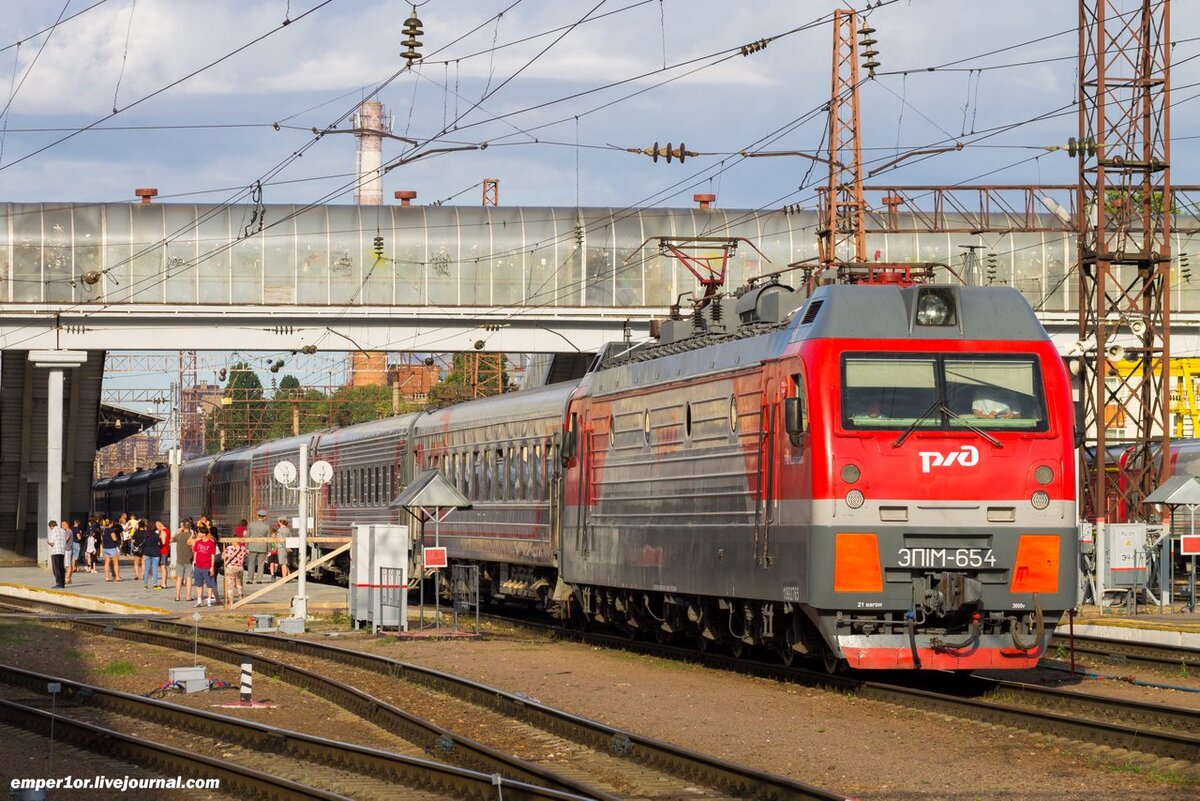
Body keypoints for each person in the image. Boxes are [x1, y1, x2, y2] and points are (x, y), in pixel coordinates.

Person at [190, 524, 219, 607]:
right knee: (199, 585)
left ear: (204, 534)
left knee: (209, 585)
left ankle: (209, 601)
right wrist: (195, 563)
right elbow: (195, 552)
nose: (198, 534)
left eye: (199, 533)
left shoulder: (211, 543)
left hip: (207, 567)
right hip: (198, 566)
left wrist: (212, 567)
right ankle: (199, 601)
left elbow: (212, 555)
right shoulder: (198, 542)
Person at [222, 532, 247, 608]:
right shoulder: (243, 549)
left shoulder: (229, 548)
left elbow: (223, 557)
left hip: (230, 568)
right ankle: (241, 600)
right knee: (239, 585)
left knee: (230, 586)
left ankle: (231, 603)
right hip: (239, 568)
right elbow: (245, 557)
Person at [246, 510, 270, 584]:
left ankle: (250, 579)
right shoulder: (267, 526)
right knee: (261, 564)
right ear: (264, 517)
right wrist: (269, 549)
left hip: (252, 546)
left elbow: (248, 536)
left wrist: (247, 547)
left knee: (251, 563)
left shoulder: (251, 525)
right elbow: (268, 538)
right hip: (263, 547)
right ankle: (259, 579)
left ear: (257, 516)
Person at [173, 519, 195, 602]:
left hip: (179, 559)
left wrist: (177, 532)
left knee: (179, 578)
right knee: (188, 578)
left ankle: (177, 596)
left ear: (182, 525)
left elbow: (171, 540)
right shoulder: (192, 536)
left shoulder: (179, 535)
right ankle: (188, 596)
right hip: (189, 560)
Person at [47, 520, 67, 589]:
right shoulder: (63, 530)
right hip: (62, 551)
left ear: (51, 526)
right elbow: (65, 539)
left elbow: (52, 542)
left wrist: (48, 543)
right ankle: (63, 583)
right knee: (61, 568)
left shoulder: (52, 532)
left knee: (56, 568)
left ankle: (59, 584)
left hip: (55, 552)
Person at [156, 520, 171, 589]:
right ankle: (164, 583)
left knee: (162, 567)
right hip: (166, 550)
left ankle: (163, 583)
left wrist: (158, 541)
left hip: (162, 551)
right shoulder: (167, 530)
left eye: (157, 527)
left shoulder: (163, 531)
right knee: (164, 567)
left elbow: (163, 542)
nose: (157, 529)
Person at [61, 520, 76, 585]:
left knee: (68, 565)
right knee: (69, 564)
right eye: (61, 525)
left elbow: (65, 539)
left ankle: (66, 579)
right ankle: (69, 578)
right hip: (68, 549)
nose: (62, 526)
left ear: (67, 524)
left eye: (63, 524)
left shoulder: (68, 531)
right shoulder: (67, 531)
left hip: (67, 549)